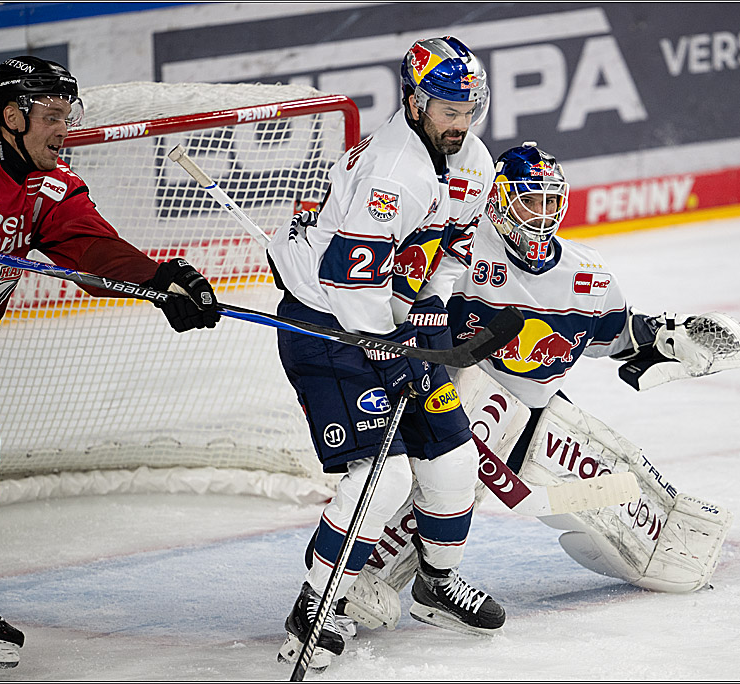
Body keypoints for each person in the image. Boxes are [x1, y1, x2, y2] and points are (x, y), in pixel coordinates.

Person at [318, 142, 740, 631]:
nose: (543, 215)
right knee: (463, 448)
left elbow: (613, 335)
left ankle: (423, 575)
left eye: (551, 201)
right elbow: (394, 308)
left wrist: (666, 335)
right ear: (501, 201)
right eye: (531, 200)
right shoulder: (458, 254)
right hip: (451, 400)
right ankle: (363, 578)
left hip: (538, 416)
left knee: (672, 561)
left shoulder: (586, 273)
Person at [266, 36, 502, 672]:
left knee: (453, 457)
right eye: (449, 110)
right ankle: (314, 607)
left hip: (389, 320)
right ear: (416, 102)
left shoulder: (472, 159)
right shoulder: (394, 172)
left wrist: (433, 308)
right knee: (384, 476)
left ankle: (435, 583)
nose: (461, 123)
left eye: (469, 109)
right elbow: (348, 283)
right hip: (326, 325)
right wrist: (395, 352)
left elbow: (453, 247)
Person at [0, 56, 220, 669]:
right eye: (53, 118)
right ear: (12, 117)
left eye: (67, 117)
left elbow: (92, 251)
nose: (64, 132)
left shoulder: (48, 186)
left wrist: (163, 279)